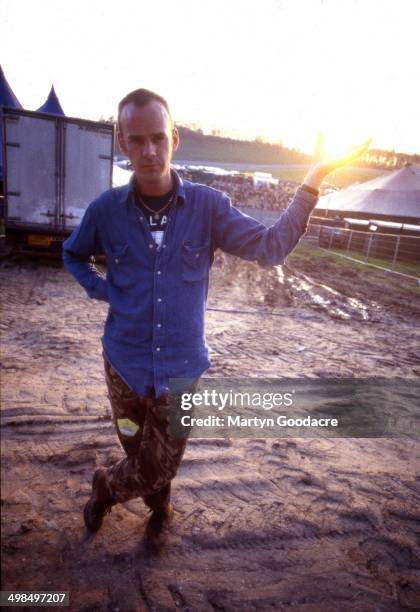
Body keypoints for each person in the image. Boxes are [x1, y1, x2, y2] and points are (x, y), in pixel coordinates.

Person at [62, 88, 369, 544]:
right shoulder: (105, 212)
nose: (149, 151)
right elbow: (74, 255)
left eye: (159, 138)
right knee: (137, 449)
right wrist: (103, 290)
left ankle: (105, 487)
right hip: (123, 367)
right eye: (137, 140)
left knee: (158, 463)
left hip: (182, 370)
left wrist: (312, 180)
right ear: (122, 142)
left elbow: (271, 247)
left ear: (175, 140)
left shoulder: (208, 207)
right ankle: (158, 502)